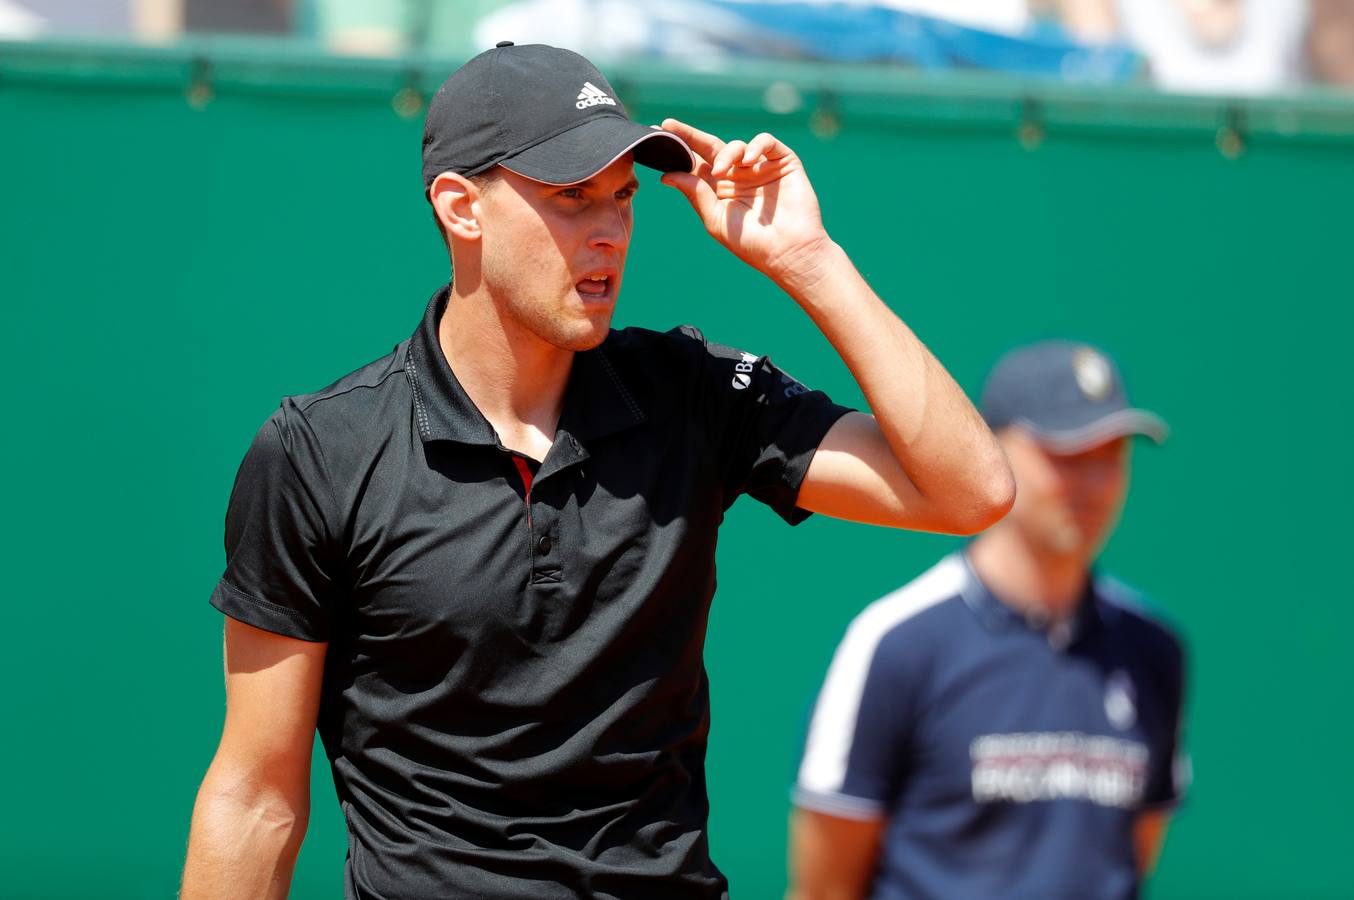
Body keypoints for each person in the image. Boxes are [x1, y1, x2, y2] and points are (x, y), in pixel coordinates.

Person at [180, 42, 1015, 899]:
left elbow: (972, 491)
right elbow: (256, 799)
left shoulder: (693, 394)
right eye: (571, 196)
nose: (610, 230)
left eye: (623, 197)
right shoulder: (319, 451)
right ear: (461, 208)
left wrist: (809, 260)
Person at [790, 340, 1189, 900]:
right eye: (1067, 453)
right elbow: (823, 889)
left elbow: (1133, 855)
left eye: (1112, 455)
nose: (1094, 482)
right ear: (993, 450)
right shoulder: (898, 642)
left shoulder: (1154, 648)